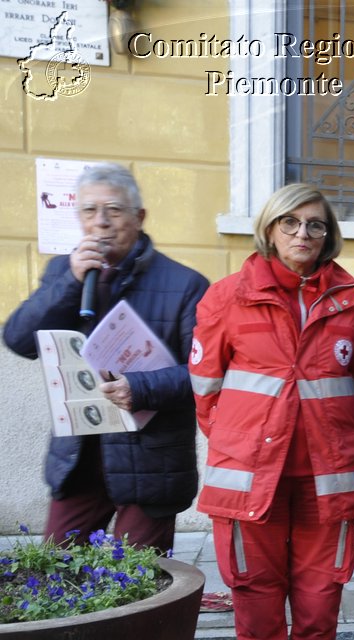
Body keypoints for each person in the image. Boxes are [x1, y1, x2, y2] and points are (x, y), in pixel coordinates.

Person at [189, 183, 354, 640]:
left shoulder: (353, 303)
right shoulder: (227, 298)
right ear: (270, 229)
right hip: (251, 487)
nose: (303, 234)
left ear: (329, 235)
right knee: (260, 614)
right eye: (291, 223)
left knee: (320, 612)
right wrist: (254, 439)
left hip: (327, 485)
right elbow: (207, 395)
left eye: (315, 226)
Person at [4, 162, 208, 552]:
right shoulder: (63, 272)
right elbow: (18, 340)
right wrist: (70, 283)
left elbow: (204, 374)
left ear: (139, 217)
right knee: (54, 572)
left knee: (140, 583)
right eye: (88, 211)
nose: (100, 222)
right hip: (79, 457)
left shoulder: (186, 285)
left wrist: (142, 387)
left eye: (113, 210)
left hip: (150, 461)